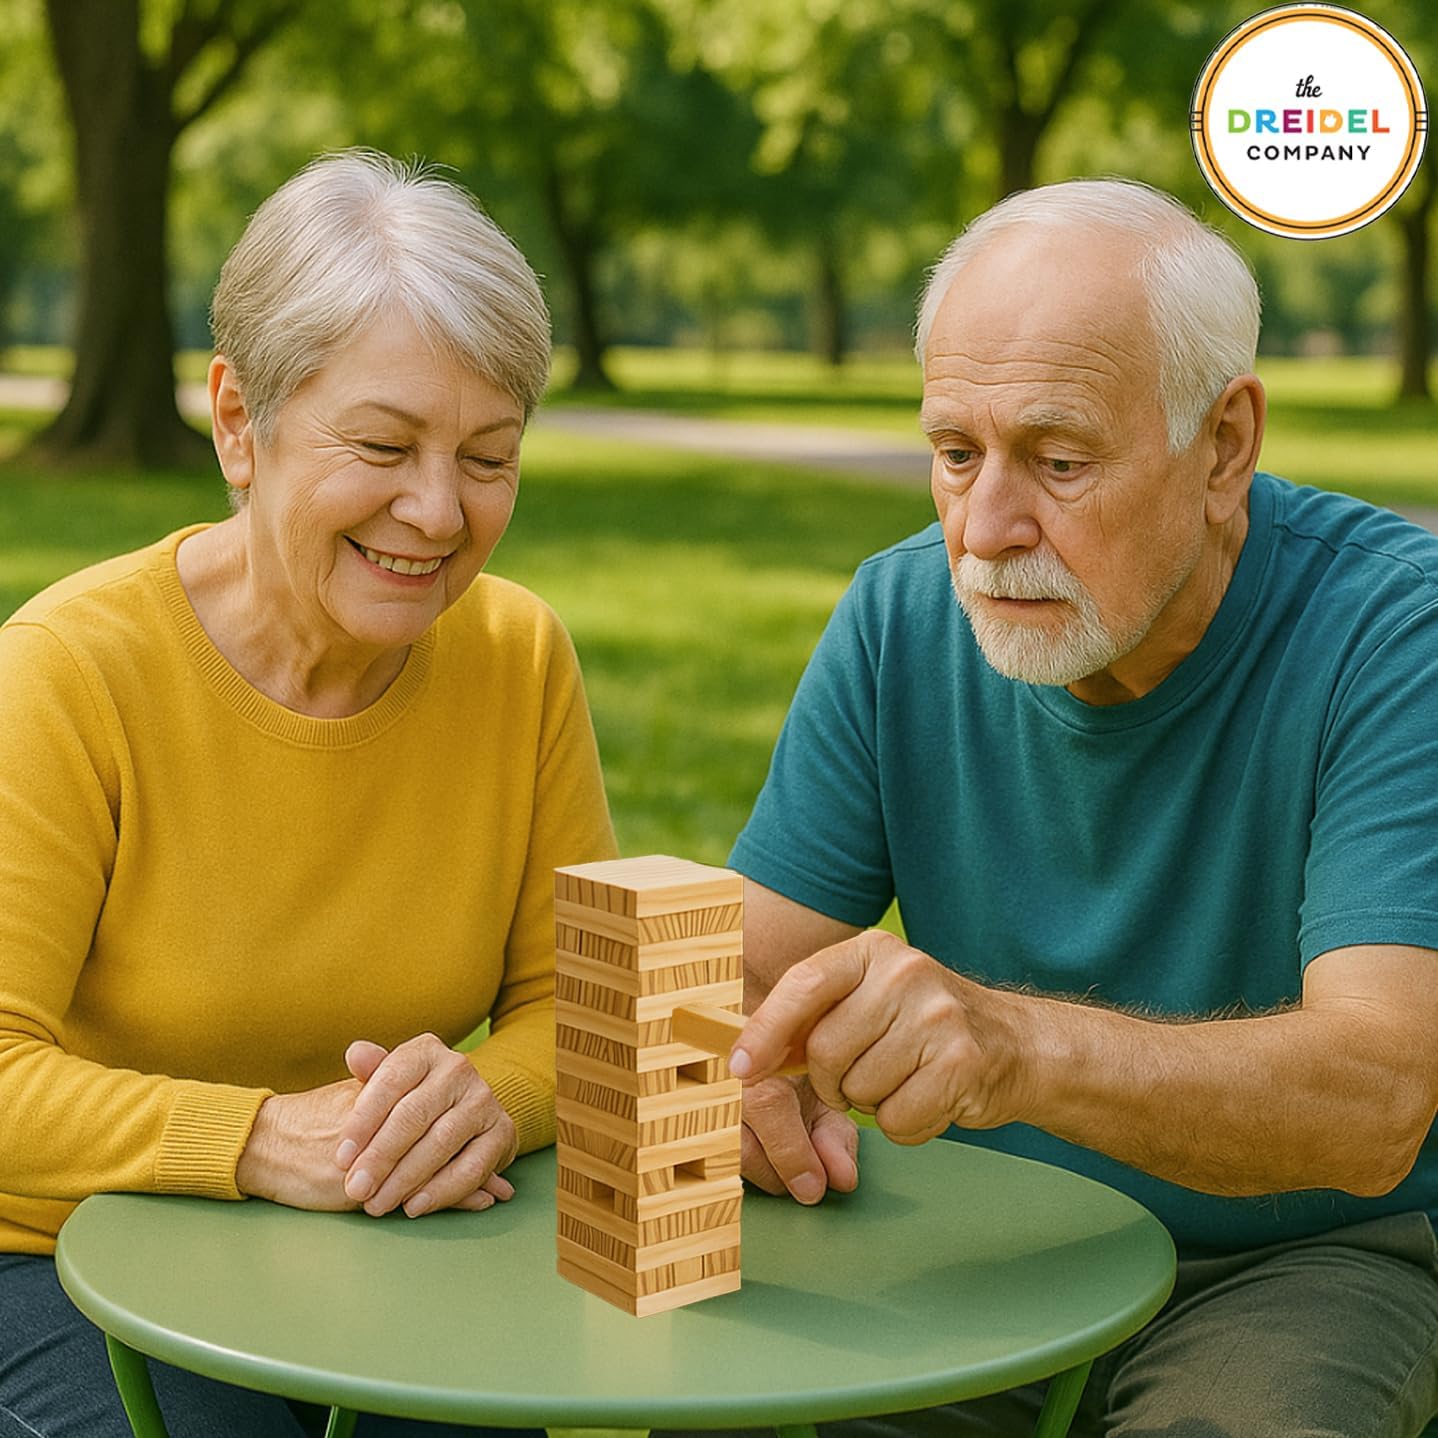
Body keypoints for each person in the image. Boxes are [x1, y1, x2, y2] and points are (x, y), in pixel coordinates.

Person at [725, 180, 1438, 1436]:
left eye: (1059, 462)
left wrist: (1017, 1049)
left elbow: (1376, 1102)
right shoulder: (899, 616)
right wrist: (729, 1075)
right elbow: (733, 981)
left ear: (1223, 448)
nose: (986, 532)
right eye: (954, 454)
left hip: (1306, 1254)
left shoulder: (1395, 631)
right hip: (984, 1226)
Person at [0, 150, 615, 1438]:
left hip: (391, 1244)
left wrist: (489, 1099)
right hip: (67, 1261)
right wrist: (258, 1139)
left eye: (489, 457)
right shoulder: (69, 672)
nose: (437, 512)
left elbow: (581, 1007)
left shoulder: (517, 657)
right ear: (238, 420)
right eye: (384, 445)